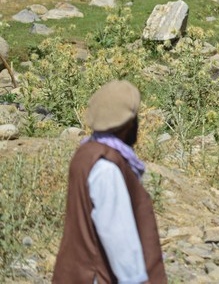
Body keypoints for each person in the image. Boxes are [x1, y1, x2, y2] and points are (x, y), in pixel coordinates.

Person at [53, 80, 167, 284]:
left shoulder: (85, 153)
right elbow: (116, 233)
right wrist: (135, 279)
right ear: (127, 125)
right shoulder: (107, 168)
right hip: (98, 276)